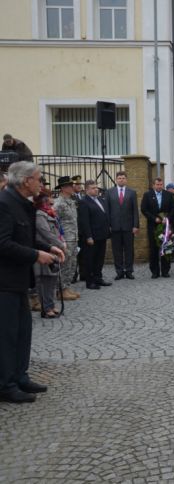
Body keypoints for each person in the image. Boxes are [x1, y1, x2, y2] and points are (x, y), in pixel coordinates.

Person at [0, 161, 65, 403]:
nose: (41, 183)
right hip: (4, 283)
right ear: (26, 181)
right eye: (38, 178)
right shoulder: (4, 204)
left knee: (22, 332)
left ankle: (19, 376)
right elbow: (3, 243)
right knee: (6, 335)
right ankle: (6, 385)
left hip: (18, 281)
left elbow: (25, 239)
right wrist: (37, 255)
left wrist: (49, 247)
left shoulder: (22, 204)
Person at [34, 190, 65, 318]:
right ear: (44, 200)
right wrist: (60, 244)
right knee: (46, 280)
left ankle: (51, 305)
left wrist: (60, 242)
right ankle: (46, 308)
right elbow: (46, 233)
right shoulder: (40, 215)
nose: (52, 199)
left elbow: (57, 230)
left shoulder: (50, 213)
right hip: (46, 250)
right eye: (50, 197)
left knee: (52, 280)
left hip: (53, 249)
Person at [105, 171, 139, 280]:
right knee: (117, 250)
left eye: (123, 178)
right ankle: (119, 271)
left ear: (126, 180)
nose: (121, 180)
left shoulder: (132, 192)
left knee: (129, 250)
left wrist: (135, 226)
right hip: (114, 227)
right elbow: (107, 210)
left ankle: (129, 271)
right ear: (116, 179)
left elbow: (135, 211)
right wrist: (108, 225)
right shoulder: (109, 192)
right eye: (119, 178)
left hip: (128, 227)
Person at [78, 180, 112, 290]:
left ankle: (98, 278)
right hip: (92, 236)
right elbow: (84, 221)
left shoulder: (101, 200)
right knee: (90, 259)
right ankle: (90, 281)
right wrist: (88, 236)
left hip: (102, 235)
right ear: (87, 190)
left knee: (100, 259)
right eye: (93, 188)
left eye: (96, 187)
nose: (96, 189)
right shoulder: (84, 202)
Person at [141, 177, 174, 279]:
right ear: (153, 185)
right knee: (153, 249)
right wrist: (154, 218)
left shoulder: (169, 195)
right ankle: (154, 271)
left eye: (161, 185)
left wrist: (167, 218)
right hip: (153, 225)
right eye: (157, 184)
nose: (159, 186)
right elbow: (144, 209)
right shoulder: (147, 195)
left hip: (166, 225)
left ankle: (165, 271)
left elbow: (173, 209)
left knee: (166, 247)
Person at [53, 176, 80, 300]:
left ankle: (67, 287)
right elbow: (55, 222)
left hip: (73, 237)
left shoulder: (71, 201)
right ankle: (61, 290)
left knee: (72, 264)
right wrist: (59, 239)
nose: (72, 187)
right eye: (70, 186)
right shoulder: (58, 203)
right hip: (65, 239)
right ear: (63, 188)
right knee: (65, 264)